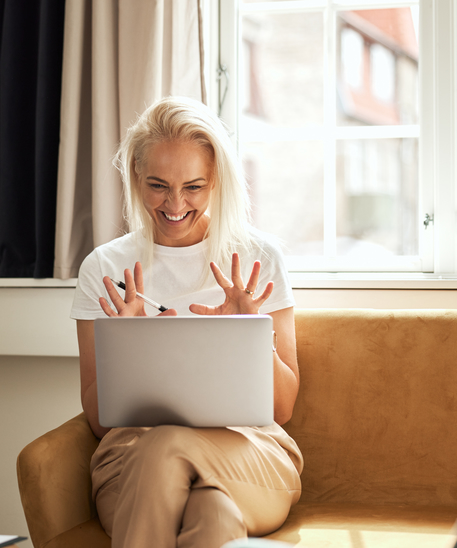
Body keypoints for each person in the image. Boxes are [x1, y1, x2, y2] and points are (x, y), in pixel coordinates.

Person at [70, 96, 303, 548]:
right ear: (136, 177)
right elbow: (100, 421)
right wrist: (128, 345)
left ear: (215, 181)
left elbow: (283, 408)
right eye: (158, 185)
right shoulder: (103, 269)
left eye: (193, 187)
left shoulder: (257, 260)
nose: (175, 204)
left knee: (168, 444)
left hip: (248, 455)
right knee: (211, 516)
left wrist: (250, 334)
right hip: (130, 461)